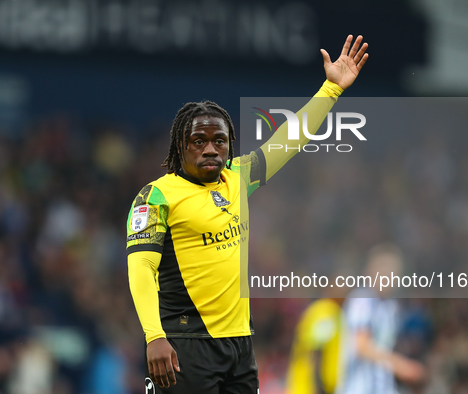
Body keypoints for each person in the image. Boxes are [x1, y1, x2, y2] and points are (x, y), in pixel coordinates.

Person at [127, 35, 369, 394]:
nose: (211, 149)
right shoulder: (157, 195)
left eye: (219, 141)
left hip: (239, 346)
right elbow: (141, 268)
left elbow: (289, 139)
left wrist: (330, 89)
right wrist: (154, 336)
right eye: (199, 141)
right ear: (181, 145)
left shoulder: (237, 178)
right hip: (185, 342)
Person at [335, 243, 425, 394]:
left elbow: (385, 347)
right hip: (358, 389)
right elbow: (361, 345)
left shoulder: (389, 307)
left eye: (393, 272)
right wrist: (401, 365)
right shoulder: (362, 300)